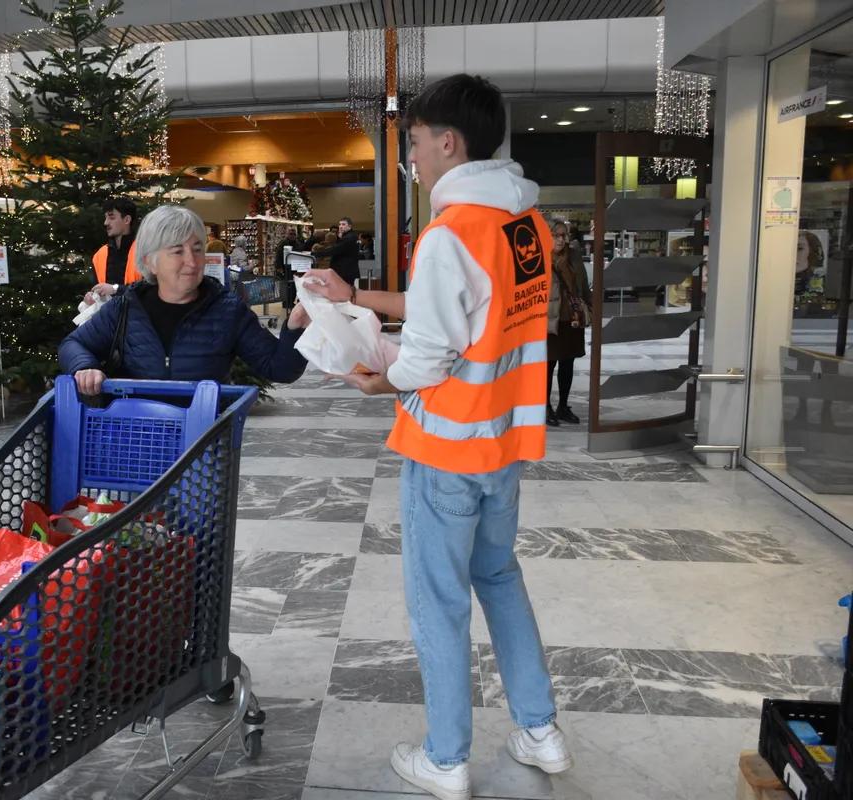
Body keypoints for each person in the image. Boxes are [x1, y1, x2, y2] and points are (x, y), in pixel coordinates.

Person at [303, 74, 568, 800]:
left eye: (415, 144)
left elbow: (424, 356)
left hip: (446, 449)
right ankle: (541, 732)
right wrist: (355, 298)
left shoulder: (452, 232)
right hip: (504, 446)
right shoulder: (524, 227)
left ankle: (446, 758)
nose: (412, 160)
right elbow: (461, 314)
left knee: (438, 603)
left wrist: (377, 378)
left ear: (448, 143)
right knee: (500, 582)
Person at [59, 205, 310, 393]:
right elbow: (73, 344)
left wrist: (295, 327)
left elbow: (280, 369)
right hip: (137, 440)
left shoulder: (228, 310)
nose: (192, 261)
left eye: (197, 249)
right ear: (150, 261)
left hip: (202, 446)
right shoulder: (126, 307)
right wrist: (84, 368)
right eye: (177, 251)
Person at [546, 220, 591, 426]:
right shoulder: (539, 257)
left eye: (564, 235)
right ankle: (545, 407)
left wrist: (590, 308)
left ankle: (563, 406)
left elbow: (583, 286)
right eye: (555, 235)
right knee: (547, 366)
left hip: (571, 320)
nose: (560, 240)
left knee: (567, 364)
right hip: (549, 321)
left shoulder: (573, 256)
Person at [90, 197, 141, 294]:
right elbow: (96, 288)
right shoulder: (99, 255)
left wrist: (116, 289)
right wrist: (91, 296)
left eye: (111, 217)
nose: (106, 223)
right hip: (107, 309)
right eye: (105, 218)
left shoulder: (144, 251)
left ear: (127, 219)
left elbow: (150, 289)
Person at [310, 217, 360, 286]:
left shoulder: (346, 239)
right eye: (340, 224)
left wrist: (314, 253)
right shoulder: (354, 236)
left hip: (344, 271)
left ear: (349, 226)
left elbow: (333, 250)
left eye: (343, 224)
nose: (341, 227)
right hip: (349, 270)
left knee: (342, 292)